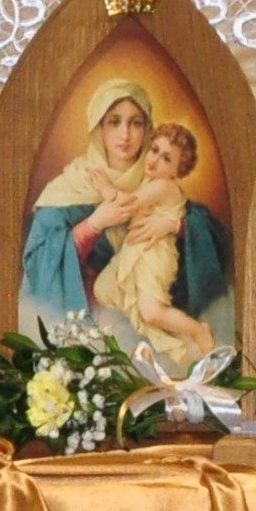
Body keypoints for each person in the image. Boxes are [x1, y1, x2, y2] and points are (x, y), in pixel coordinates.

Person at [22, 77, 230, 347]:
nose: (125, 135)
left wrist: (175, 226)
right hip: (88, 319)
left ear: (147, 129)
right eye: (114, 122)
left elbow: (210, 233)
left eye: (136, 123)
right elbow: (38, 260)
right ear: (99, 127)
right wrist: (93, 225)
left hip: (150, 304)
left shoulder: (159, 176)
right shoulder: (74, 183)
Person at [92, 123, 218, 362]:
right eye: (154, 150)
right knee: (104, 289)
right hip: (137, 251)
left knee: (151, 312)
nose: (155, 159)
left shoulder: (163, 186)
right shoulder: (150, 182)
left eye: (167, 159)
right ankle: (166, 331)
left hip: (155, 256)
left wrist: (106, 188)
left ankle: (197, 331)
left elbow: (127, 205)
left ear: (176, 172)